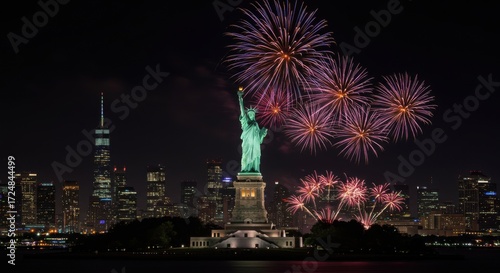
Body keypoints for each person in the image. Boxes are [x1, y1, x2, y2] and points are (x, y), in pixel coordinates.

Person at [238, 90, 267, 173]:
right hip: (247, 143)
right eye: (249, 114)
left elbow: (259, 137)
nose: (251, 115)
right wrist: (240, 98)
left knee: (255, 157)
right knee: (245, 156)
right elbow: (242, 111)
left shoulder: (256, 124)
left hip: (255, 145)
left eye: (252, 115)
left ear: (254, 116)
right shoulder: (246, 123)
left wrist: (262, 134)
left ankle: (254, 169)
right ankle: (245, 169)